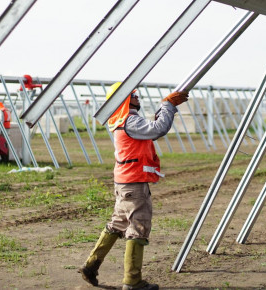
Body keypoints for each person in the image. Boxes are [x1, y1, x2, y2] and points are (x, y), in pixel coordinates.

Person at [78, 83, 189, 290]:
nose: (137, 98)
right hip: (134, 184)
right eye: (133, 95)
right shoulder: (130, 120)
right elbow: (159, 129)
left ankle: (90, 266)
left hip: (125, 182)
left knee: (118, 223)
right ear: (124, 100)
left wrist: (165, 108)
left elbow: (151, 130)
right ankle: (132, 281)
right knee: (138, 227)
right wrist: (167, 106)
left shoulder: (122, 120)